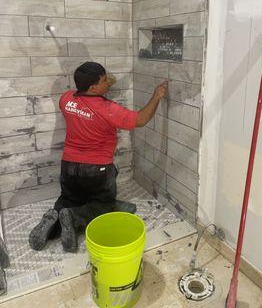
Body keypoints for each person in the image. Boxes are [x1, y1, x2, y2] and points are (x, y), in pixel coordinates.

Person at [29, 62, 167, 253]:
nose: (107, 83)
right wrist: (157, 96)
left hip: (69, 166)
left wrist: (103, 81)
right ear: (93, 87)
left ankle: (53, 218)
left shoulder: (66, 99)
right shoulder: (108, 109)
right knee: (104, 205)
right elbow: (140, 119)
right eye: (103, 80)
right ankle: (76, 217)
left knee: (68, 199)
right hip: (96, 170)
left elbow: (89, 97)